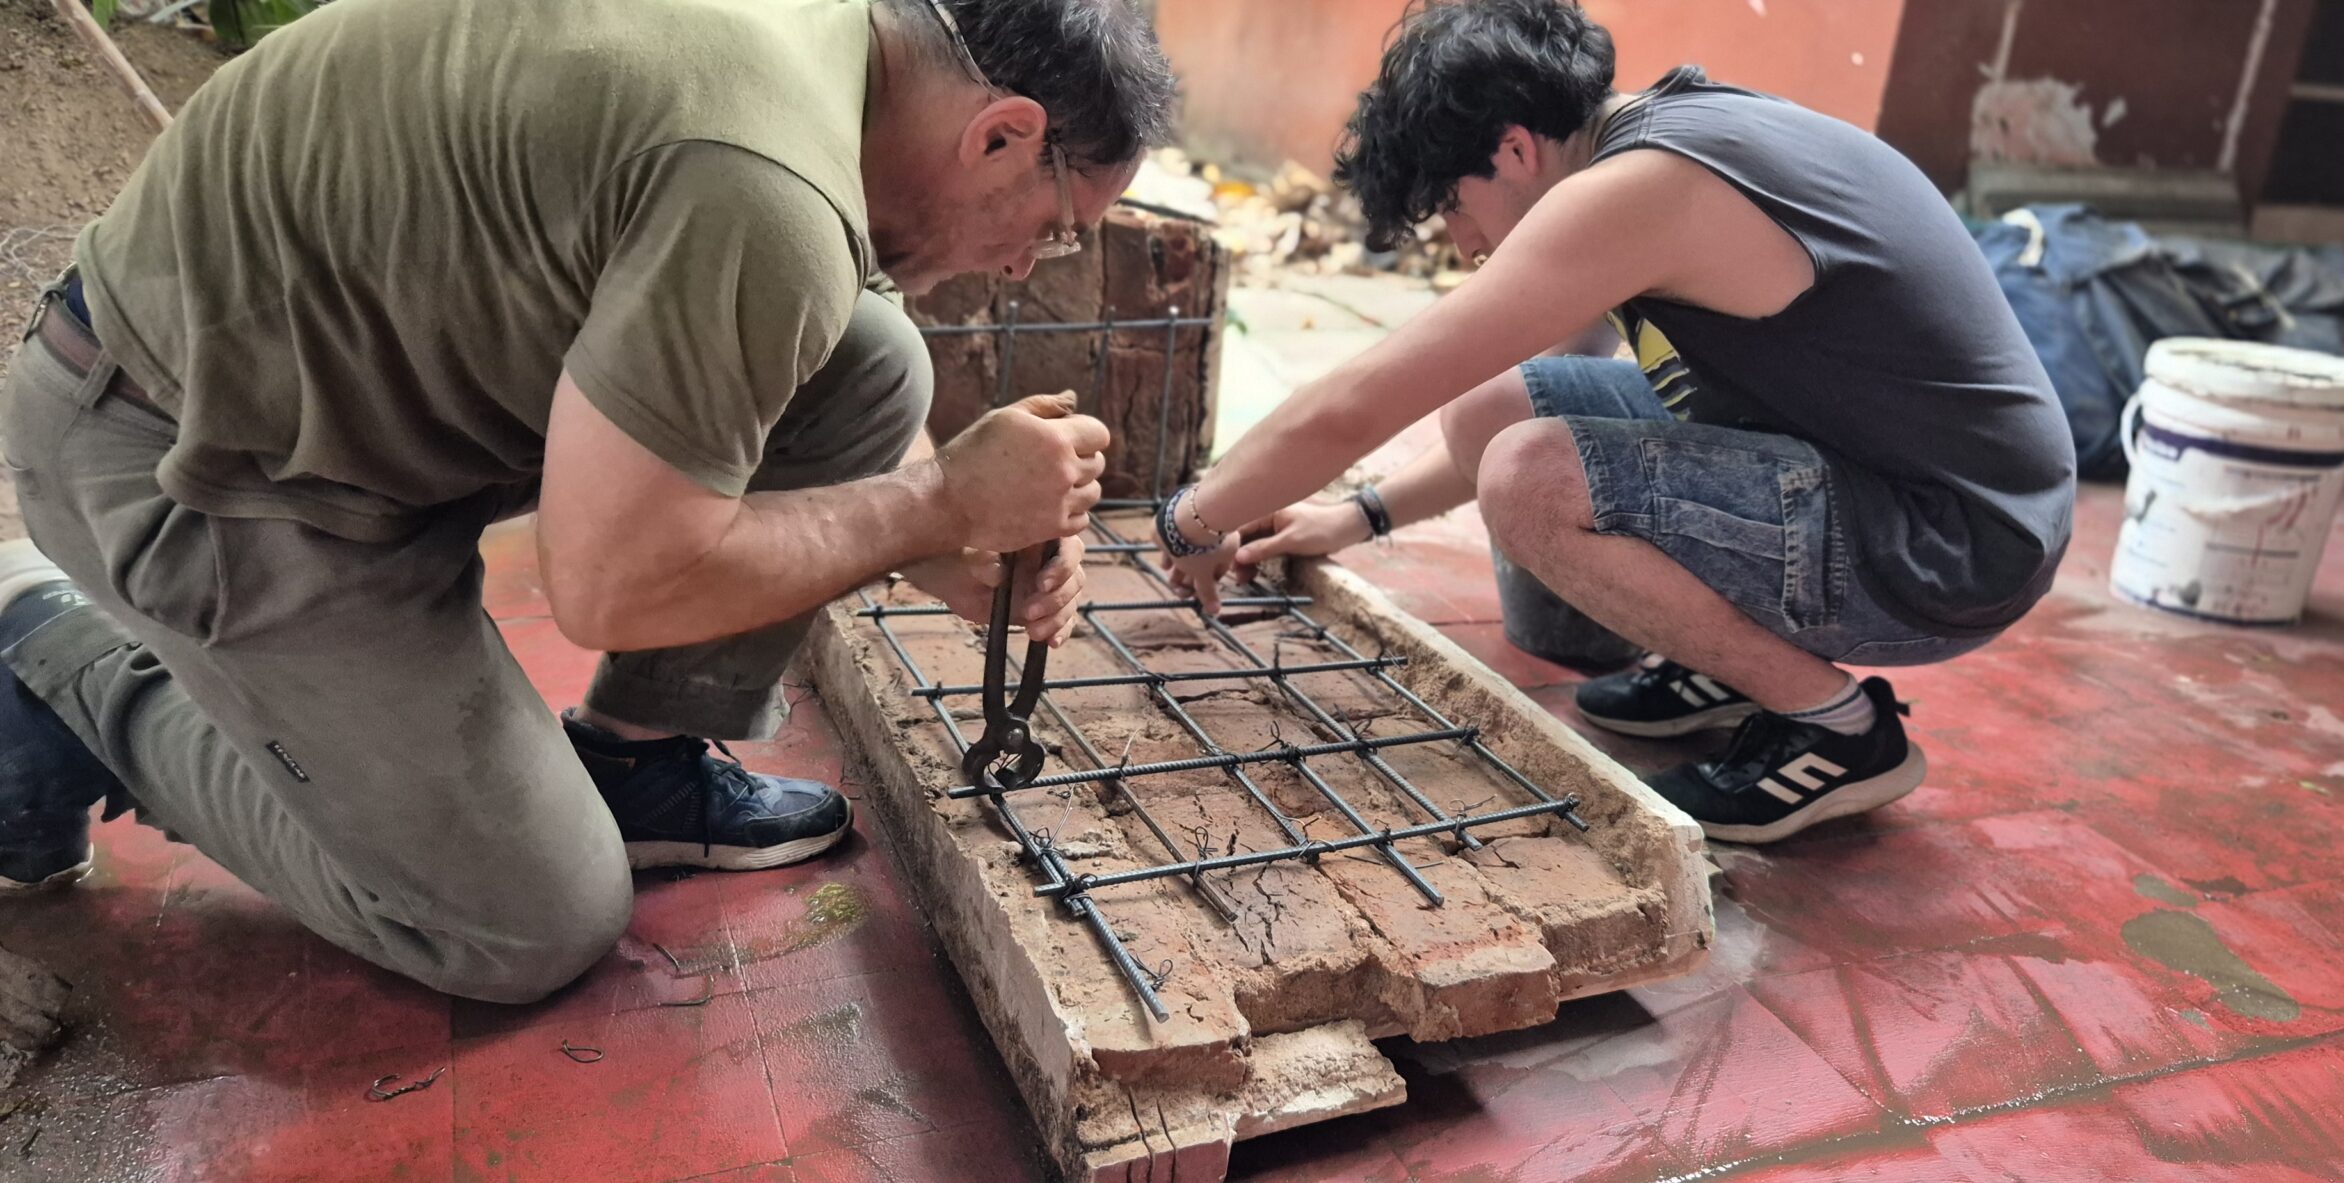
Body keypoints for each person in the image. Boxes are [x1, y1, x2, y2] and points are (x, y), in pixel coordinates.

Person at [0, 0, 1176, 1003]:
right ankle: (63, 673)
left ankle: (635, 761)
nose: (1022, 267)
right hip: (196, 457)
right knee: (525, 924)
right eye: (1053, 231)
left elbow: (813, 307)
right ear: (1002, 133)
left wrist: (942, 534)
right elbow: (614, 586)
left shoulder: (833, 57)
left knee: (871, 358)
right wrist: (934, 504)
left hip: (344, 382)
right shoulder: (758, 177)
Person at [1161, 0, 2075, 844]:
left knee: (1530, 478)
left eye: (1453, 206)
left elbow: (1362, 401)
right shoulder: (1652, 134)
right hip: (1874, 467)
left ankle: (1839, 730)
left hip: (1953, 544)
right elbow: (1520, 391)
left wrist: (1193, 519)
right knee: (1496, 408)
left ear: (1515, 149)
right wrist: (1357, 517)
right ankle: (1732, 661)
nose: (1463, 242)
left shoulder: (1640, 191)